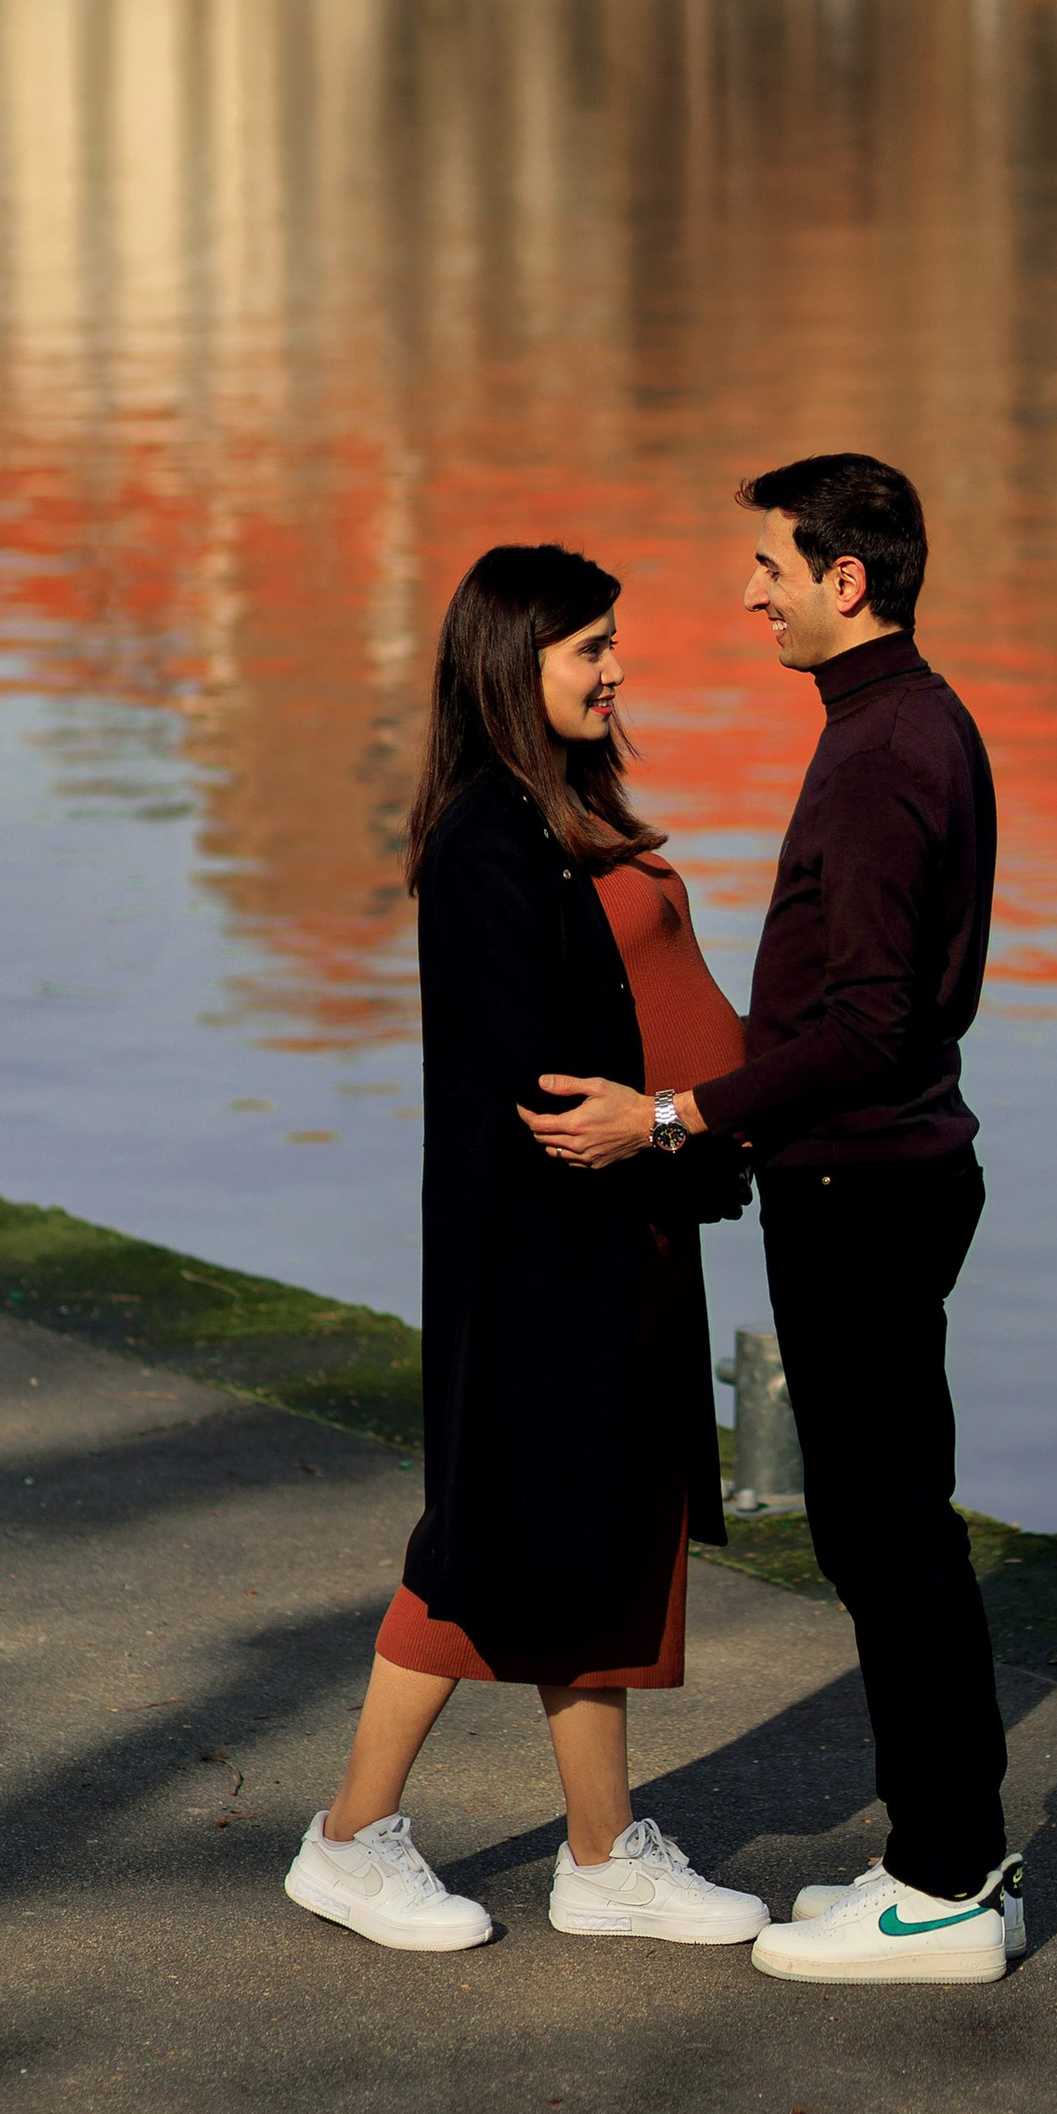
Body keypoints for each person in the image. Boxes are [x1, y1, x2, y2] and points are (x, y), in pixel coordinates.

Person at [523, 455, 1022, 1987]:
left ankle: (945, 1883)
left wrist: (672, 1118)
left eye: (767, 568)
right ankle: (937, 1857)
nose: (749, 593)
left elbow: (869, 1023)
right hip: (880, 1174)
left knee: (889, 1536)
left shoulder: (878, 757)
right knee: (890, 1528)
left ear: (842, 580)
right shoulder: (910, 722)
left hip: (862, 1185)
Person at [285, 543, 770, 1957]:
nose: (618, 671)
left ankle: (607, 1852)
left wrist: (693, 1135)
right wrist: (673, 1125)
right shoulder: (489, 842)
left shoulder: (562, 811)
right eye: (590, 651)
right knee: (491, 1545)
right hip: (549, 1257)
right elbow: (533, 1086)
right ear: (515, 666)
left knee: (607, 1537)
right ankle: (350, 1834)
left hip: (631, 1234)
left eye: (616, 644)